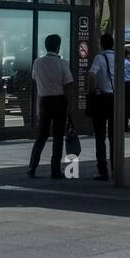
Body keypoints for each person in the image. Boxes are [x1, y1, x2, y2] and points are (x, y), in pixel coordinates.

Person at [28, 34, 75, 179]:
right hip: (59, 101)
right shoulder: (63, 63)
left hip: (44, 101)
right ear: (58, 46)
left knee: (41, 135)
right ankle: (55, 169)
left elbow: (34, 77)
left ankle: (32, 167)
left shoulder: (37, 63)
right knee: (58, 136)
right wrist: (70, 104)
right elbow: (68, 84)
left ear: (46, 46)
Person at [88, 32, 116, 180]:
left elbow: (92, 74)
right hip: (115, 99)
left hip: (102, 99)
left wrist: (93, 90)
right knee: (114, 136)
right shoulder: (119, 59)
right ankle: (116, 168)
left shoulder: (100, 58)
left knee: (100, 136)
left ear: (101, 44)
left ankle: (103, 170)